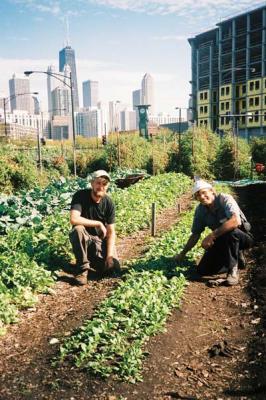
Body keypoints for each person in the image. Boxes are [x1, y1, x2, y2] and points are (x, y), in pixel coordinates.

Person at [173, 179, 253, 286]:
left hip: (242, 237)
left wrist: (212, 235)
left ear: (212, 191)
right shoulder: (200, 210)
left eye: (204, 192)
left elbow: (236, 221)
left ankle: (233, 271)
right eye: (198, 195)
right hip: (223, 241)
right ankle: (235, 259)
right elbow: (195, 234)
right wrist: (182, 254)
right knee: (203, 270)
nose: (201, 197)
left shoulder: (225, 199)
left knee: (230, 231)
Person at [69, 170, 120, 285]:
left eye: (104, 184)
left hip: (98, 241)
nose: (101, 186)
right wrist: (98, 223)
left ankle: (93, 259)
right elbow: (74, 219)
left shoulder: (108, 203)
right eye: (98, 183)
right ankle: (82, 270)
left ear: (107, 186)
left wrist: (110, 256)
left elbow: (111, 232)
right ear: (92, 183)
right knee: (77, 229)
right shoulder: (80, 196)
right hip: (84, 239)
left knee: (114, 269)